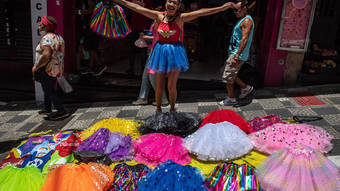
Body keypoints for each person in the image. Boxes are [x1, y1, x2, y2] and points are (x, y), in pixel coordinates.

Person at [114, 0, 237, 112]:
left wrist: (222, 8)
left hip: (175, 52)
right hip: (159, 52)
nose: (171, 4)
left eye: (174, 3)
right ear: (165, 3)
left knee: (171, 86)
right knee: (159, 85)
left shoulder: (181, 18)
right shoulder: (157, 15)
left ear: (178, 7)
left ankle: (172, 109)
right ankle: (158, 109)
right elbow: (136, 7)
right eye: (169, 1)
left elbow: (201, 12)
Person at [32, 16, 69, 120]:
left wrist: (36, 66)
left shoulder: (47, 38)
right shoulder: (58, 37)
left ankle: (61, 110)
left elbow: (46, 54)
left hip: (47, 68)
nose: (39, 26)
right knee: (47, 87)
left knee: (48, 90)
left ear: (46, 26)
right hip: (56, 68)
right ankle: (47, 108)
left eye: (41, 24)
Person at [218, 0, 254, 106]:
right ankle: (245, 88)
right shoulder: (242, 19)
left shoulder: (247, 21)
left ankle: (231, 99)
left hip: (237, 54)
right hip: (234, 53)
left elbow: (244, 39)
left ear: (245, 9)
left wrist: (237, 56)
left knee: (228, 77)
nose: (235, 12)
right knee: (227, 73)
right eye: (233, 10)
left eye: (236, 10)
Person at [132, 5, 169, 106]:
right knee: (145, 76)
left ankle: (163, 99)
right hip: (152, 51)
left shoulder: (163, 20)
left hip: (157, 51)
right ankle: (143, 98)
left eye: (155, 9)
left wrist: (145, 37)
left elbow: (161, 37)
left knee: (152, 76)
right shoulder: (155, 20)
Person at [78, 0, 107, 76]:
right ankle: (90, 67)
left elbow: (92, 10)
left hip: (91, 28)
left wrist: (79, 12)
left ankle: (101, 65)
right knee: (91, 48)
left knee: (90, 48)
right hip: (92, 27)